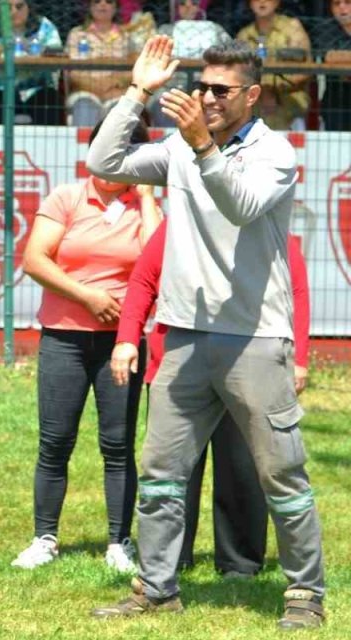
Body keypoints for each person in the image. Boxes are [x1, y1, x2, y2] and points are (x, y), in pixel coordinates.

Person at [87, 36, 326, 629]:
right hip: (185, 339)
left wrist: (200, 145)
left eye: (222, 89)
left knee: (282, 474)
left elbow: (241, 204)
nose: (208, 98)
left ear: (253, 94)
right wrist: (136, 93)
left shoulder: (275, 153)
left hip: (256, 339)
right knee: (161, 474)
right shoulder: (178, 145)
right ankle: (156, 588)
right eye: (202, 87)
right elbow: (104, 164)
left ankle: (305, 595)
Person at [112, 220, 311, 579]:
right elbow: (143, 279)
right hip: (178, 365)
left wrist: (299, 358)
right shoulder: (179, 224)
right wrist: (127, 337)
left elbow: (295, 288)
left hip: (247, 365)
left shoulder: (264, 221)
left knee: (242, 467)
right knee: (171, 471)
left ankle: (240, 563)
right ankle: (168, 561)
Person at [11, 116, 161, 573]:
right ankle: (44, 538)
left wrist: (148, 195)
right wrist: (88, 297)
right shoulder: (67, 198)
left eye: (127, 153)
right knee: (55, 441)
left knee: (118, 444)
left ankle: (119, 542)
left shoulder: (144, 206)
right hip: (64, 338)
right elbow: (35, 259)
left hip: (122, 343)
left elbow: (158, 259)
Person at [0, 0, 64, 125]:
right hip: (1, 89)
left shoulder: (44, 26)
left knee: (51, 100)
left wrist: (41, 51)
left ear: (29, 7)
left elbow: (57, 49)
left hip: (36, 89)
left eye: (19, 6)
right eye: (8, 7)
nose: (14, 12)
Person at [150, 0, 230, 127]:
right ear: (176, 7)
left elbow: (228, 56)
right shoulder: (165, 30)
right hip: (171, 86)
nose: (188, 7)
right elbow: (155, 57)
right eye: (182, 3)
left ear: (200, 6)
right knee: (160, 100)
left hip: (206, 87)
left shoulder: (216, 29)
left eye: (194, 3)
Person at [235, 0, 312, 130]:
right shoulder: (244, 35)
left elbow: (304, 70)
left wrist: (273, 90)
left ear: (277, 3)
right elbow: (237, 75)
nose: (262, 1)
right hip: (254, 104)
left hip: (289, 104)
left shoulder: (292, 29)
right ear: (250, 3)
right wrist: (262, 92)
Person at [66, 0, 140, 128]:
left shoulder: (126, 36)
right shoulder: (76, 34)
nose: (103, 4)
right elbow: (72, 73)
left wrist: (114, 84)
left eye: (109, 1)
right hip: (84, 92)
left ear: (115, 7)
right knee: (84, 107)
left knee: (121, 109)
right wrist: (97, 88)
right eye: (97, 1)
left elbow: (134, 70)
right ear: (90, 6)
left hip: (117, 93)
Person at [315, 0, 351, 131]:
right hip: (336, 99)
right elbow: (330, 57)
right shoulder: (325, 28)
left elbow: (336, 57)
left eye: (348, 2)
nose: (342, 7)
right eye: (336, 3)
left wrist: (342, 58)